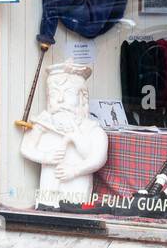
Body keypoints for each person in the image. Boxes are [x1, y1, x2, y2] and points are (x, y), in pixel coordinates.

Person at [20, 62, 109, 208]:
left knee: (73, 211)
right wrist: (45, 156)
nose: (60, 100)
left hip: (76, 194)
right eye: (54, 93)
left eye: (67, 93)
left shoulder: (91, 129)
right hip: (47, 195)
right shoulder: (43, 124)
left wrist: (75, 170)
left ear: (82, 98)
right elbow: (26, 148)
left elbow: (98, 158)